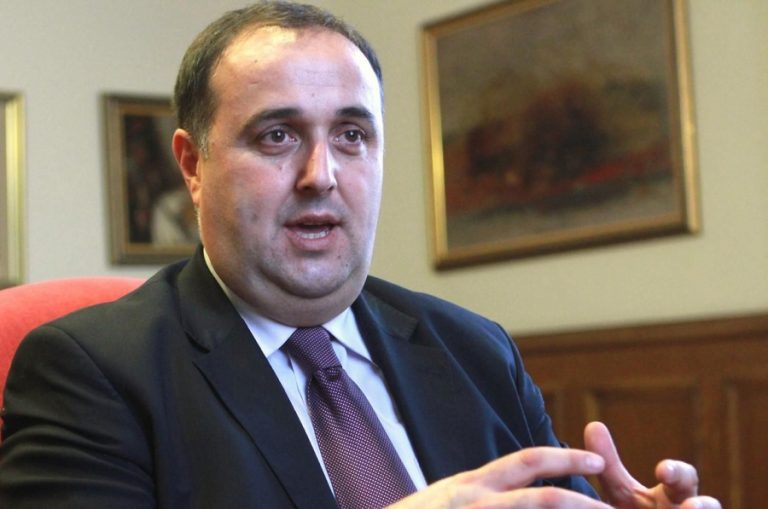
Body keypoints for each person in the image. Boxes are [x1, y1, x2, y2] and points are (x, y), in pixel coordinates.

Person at [0, 2, 720, 508]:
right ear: (192, 165)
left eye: (352, 135)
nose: (321, 175)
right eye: (277, 136)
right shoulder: (92, 371)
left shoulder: (475, 350)